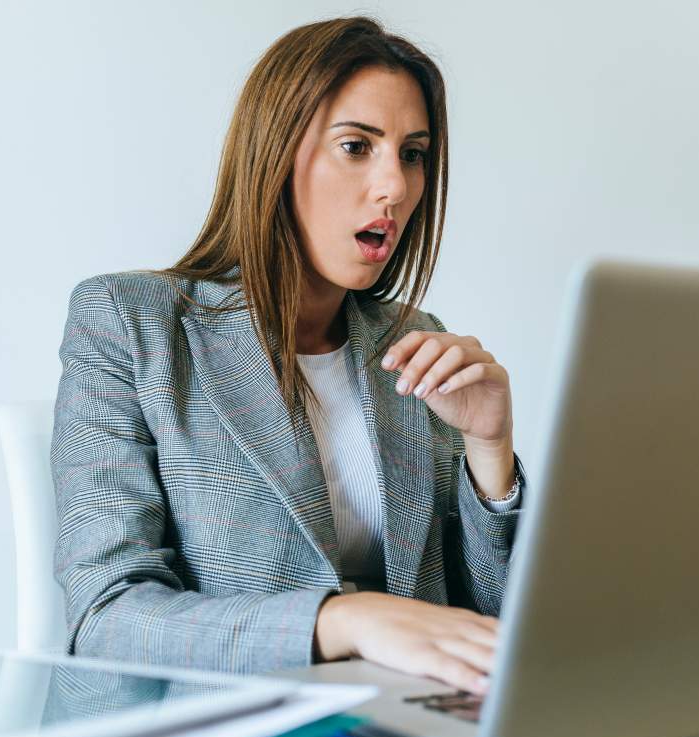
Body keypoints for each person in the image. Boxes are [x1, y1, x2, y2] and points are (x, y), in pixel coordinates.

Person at [51, 15, 526, 695]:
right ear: (275, 154)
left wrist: (490, 451)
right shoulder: (128, 324)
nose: (394, 186)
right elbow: (106, 617)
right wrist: (342, 619)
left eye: (413, 153)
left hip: (403, 731)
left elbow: (488, 622)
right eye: (357, 146)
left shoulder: (414, 342)